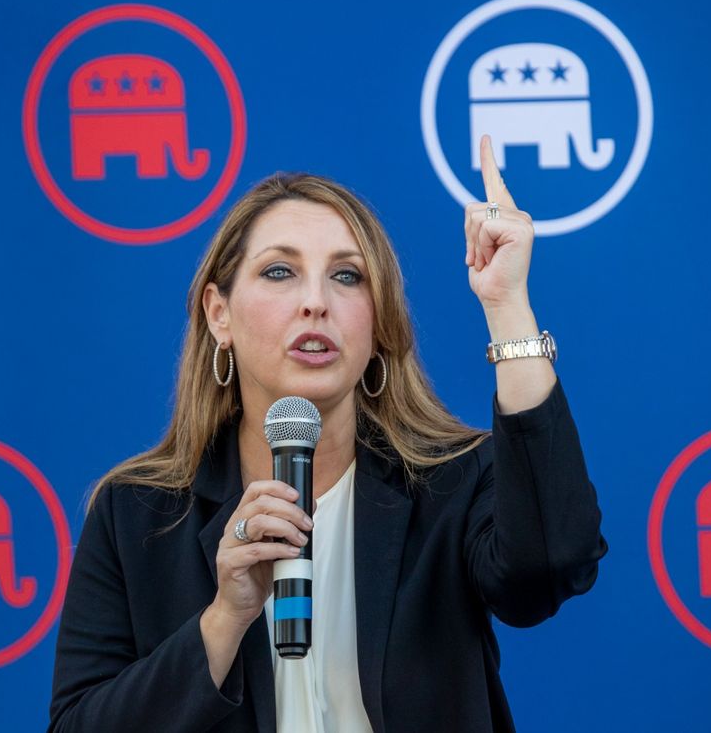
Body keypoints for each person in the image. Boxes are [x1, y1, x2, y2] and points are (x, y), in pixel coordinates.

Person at [48, 136, 606, 732]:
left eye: (346, 276)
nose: (316, 302)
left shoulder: (452, 483)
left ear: (379, 321)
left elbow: (551, 567)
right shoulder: (137, 514)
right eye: (280, 272)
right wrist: (225, 618)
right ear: (219, 314)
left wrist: (507, 304)